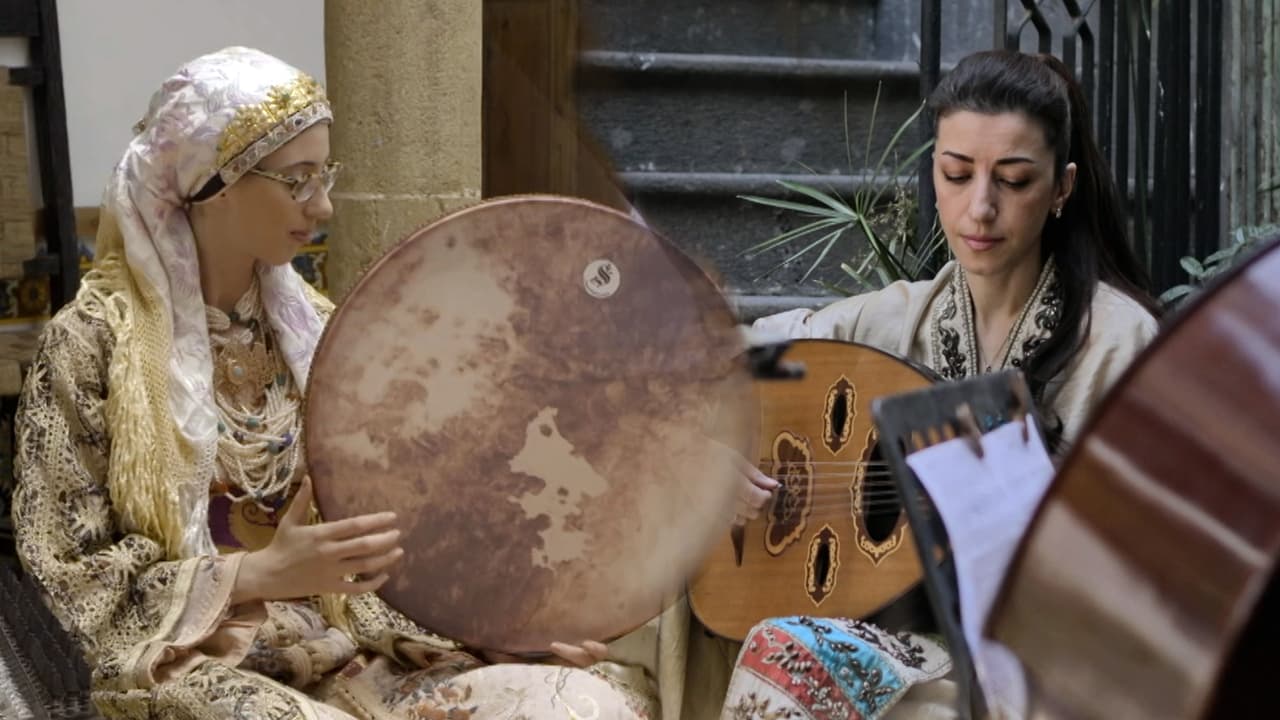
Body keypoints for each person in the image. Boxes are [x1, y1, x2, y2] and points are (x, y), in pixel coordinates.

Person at [11, 46, 659, 719]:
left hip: (342, 643)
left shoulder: (317, 332)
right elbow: (69, 577)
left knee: (589, 702)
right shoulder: (94, 343)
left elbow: (412, 516)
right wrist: (257, 574)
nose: (322, 206)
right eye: (297, 180)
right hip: (186, 666)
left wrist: (510, 632)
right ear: (216, 183)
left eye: (326, 175)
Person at [691, 49, 1164, 720]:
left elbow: (1149, 567)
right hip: (895, 632)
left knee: (788, 657)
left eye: (1014, 179)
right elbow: (703, 367)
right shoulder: (891, 321)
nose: (981, 207)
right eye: (956, 173)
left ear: (1061, 189)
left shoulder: (1117, 343)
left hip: (1038, 663)